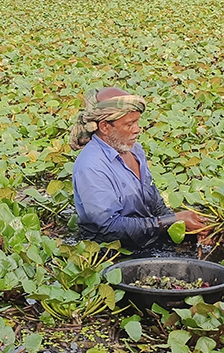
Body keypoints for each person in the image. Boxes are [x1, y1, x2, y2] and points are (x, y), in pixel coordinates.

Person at [70, 87, 205, 249]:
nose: (137, 129)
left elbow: (155, 204)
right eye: (129, 124)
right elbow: (108, 228)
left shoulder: (134, 150)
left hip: (147, 236)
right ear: (105, 127)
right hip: (112, 251)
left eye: (137, 122)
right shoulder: (91, 166)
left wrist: (191, 231)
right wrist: (171, 220)